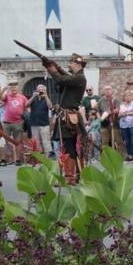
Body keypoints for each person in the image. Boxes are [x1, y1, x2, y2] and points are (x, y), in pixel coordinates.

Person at [45, 54, 88, 185]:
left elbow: (61, 80)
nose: (69, 65)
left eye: (72, 63)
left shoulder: (80, 77)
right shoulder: (74, 78)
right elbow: (62, 82)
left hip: (69, 117)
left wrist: (50, 67)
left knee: (70, 146)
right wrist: (55, 68)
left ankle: (70, 177)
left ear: (78, 65)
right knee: (69, 146)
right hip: (66, 116)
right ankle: (75, 175)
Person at [0, 81, 28, 165]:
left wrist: (25, 119)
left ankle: (18, 160)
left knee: (18, 142)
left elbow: (27, 108)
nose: (13, 89)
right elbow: (0, 98)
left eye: (15, 87)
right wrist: (4, 89)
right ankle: (5, 159)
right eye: (11, 87)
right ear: (9, 88)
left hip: (18, 122)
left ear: (18, 88)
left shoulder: (22, 97)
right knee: (6, 142)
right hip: (7, 122)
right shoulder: (7, 96)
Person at [26, 84, 53, 157]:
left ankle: (47, 157)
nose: (40, 91)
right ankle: (38, 157)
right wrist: (33, 96)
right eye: (39, 89)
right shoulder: (34, 98)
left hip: (44, 123)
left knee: (46, 141)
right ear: (36, 90)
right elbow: (26, 105)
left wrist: (46, 96)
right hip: (34, 123)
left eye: (42, 90)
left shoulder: (46, 98)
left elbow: (50, 106)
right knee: (36, 142)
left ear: (45, 91)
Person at [98, 86, 122, 157]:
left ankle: (121, 157)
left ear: (112, 91)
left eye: (109, 89)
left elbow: (118, 109)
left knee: (118, 141)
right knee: (104, 142)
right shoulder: (101, 101)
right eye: (106, 89)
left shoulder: (116, 100)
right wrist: (100, 117)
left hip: (114, 123)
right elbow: (97, 111)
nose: (107, 91)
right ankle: (106, 157)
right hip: (104, 124)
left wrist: (109, 112)